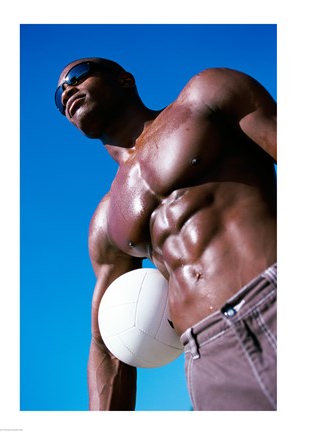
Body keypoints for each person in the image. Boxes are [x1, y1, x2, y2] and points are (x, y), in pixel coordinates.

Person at [55, 57, 277, 411]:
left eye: (77, 76)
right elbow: (109, 347)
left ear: (125, 79)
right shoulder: (106, 220)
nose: (67, 89)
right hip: (209, 357)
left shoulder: (206, 95)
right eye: (59, 93)